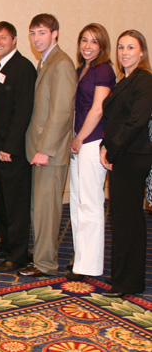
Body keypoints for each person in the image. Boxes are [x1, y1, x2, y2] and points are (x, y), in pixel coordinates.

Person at [18, 13, 76, 278]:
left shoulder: (62, 63)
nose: (36, 38)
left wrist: (46, 149)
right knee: (38, 209)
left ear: (55, 34)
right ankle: (41, 256)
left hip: (50, 153)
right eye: (33, 33)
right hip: (39, 149)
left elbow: (62, 112)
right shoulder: (44, 63)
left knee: (47, 211)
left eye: (42, 32)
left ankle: (46, 264)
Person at [100, 30, 152, 297]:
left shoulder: (144, 80)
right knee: (120, 219)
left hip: (133, 157)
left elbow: (137, 121)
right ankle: (121, 278)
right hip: (122, 156)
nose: (124, 52)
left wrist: (111, 150)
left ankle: (129, 283)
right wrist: (104, 146)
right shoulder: (125, 80)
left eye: (131, 47)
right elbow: (113, 121)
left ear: (142, 52)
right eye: (121, 47)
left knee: (128, 219)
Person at [0, 21, 36, 273]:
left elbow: (22, 111)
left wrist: (9, 146)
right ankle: (5, 243)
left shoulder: (23, 67)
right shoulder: (0, 66)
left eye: (3, 38)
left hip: (11, 151)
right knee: (1, 200)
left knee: (15, 203)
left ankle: (18, 254)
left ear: (14, 40)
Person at [67, 24, 116, 281]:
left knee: (91, 204)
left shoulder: (104, 70)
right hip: (79, 143)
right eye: (84, 40)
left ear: (102, 46)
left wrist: (80, 137)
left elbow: (97, 109)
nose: (87, 46)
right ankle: (80, 258)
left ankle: (90, 265)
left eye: (94, 42)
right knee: (77, 203)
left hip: (92, 141)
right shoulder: (81, 70)